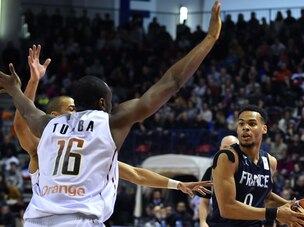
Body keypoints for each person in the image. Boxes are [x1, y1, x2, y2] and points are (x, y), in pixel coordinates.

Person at [0, 1, 221, 226]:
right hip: (81, 221)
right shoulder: (108, 123)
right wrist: (210, 38)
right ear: (103, 102)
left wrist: (14, 89)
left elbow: (27, 112)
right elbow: (172, 82)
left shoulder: (49, 125)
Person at [13, 44, 211, 199]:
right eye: (72, 110)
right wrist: (33, 82)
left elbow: (136, 174)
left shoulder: (93, 152)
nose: (79, 114)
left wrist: (177, 184)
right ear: (55, 117)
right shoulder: (41, 146)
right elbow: (22, 124)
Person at [209, 105, 304, 227]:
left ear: (264, 129)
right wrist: (276, 213)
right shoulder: (227, 157)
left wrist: (298, 208)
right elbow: (227, 208)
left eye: (252, 124)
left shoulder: (270, 162)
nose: (245, 128)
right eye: (241, 124)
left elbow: (265, 197)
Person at [198, 135, 239, 227]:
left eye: (232, 147)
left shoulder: (247, 170)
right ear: (220, 149)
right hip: (218, 223)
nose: (228, 151)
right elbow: (204, 202)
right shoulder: (211, 171)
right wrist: (203, 222)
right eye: (225, 147)